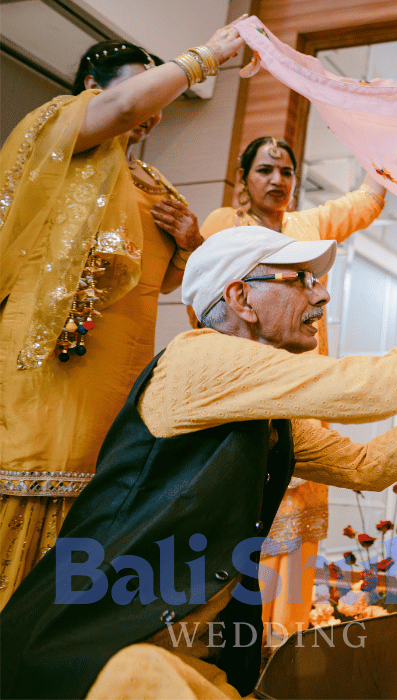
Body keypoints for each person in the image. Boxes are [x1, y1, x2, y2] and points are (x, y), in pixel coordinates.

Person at [0, 226, 397, 700]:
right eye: (301, 279)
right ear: (241, 298)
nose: (322, 293)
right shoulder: (197, 359)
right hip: (88, 651)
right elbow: (370, 386)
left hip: (175, 656)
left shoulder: (259, 407)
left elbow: (366, 467)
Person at [0, 27, 246, 609]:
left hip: (121, 369)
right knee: (37, 467)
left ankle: (49, 641)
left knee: (96, 493)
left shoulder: (154, 183)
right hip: (52, 359)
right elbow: (121, 109)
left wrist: (191, 241)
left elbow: (161, 280)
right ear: (92, 87)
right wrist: (210, 55)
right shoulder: (62, 131)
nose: (154, 113)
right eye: (145, 92)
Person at [198, 135, 388, 645]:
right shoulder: (225, 225)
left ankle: (286, 648)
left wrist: (383, 139)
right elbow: (203, 307)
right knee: (245, 525)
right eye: (265, 169)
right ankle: (235, 650)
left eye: (286, 171)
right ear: (244, 179)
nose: (278, 180)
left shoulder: (307, 227)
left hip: (304, 399)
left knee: (298, 525)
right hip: (246, 396)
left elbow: (367, 202)